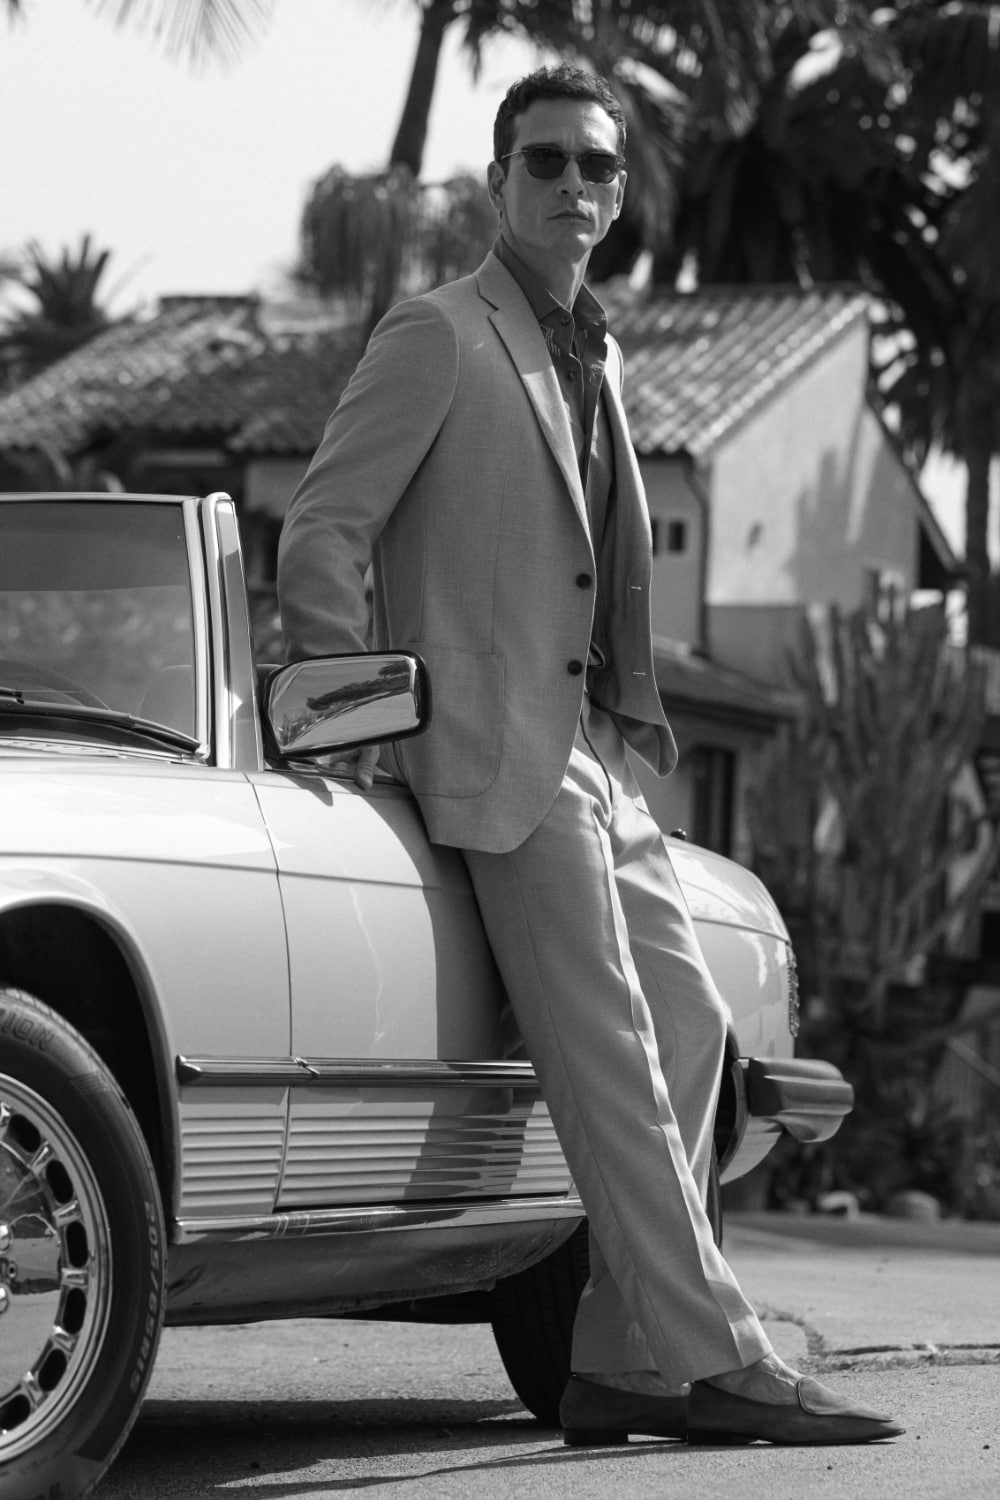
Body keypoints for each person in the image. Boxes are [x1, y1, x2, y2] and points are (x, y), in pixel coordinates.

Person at [277, 63, 902, 1448]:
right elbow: (324, 530)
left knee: (694, 1030)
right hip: (493, 757)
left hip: (603, 759)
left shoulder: (600, 355)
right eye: (546, 161)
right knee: (619, 1051)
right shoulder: (440, 335)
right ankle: (729, 1358)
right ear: (498, 182)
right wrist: (354, 727)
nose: (573, 185)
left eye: (597, 168)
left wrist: (626, 738)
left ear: (622, 196)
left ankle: (618, 1358)